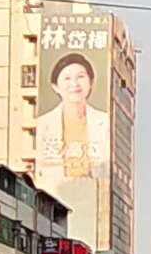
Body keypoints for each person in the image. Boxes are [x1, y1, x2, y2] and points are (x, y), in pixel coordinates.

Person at [36, 54, 109, 185]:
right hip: (54, 191)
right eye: (67, 78)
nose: (74, 84)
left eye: (80, 77)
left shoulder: (105, 123)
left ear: (91, 82)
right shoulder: (42, 125)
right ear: (55, 86)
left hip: (93, 190)